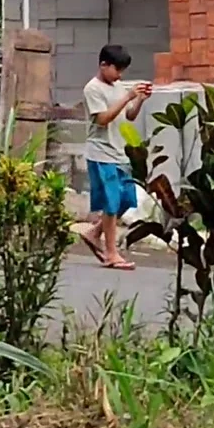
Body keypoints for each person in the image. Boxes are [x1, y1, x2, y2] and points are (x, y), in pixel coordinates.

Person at [81, 44, 152, 270]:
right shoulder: (92, 89)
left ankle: (94, 233)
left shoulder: (118, 86)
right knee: (110, 204)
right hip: (101, 153)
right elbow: (103, 119)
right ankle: (112, 254)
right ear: (103, 65)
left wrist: (139, 99)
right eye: (117, 69)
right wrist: (128, 95)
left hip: (120, 152)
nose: (119, 75)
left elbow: (129, 115)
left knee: (125, 200)